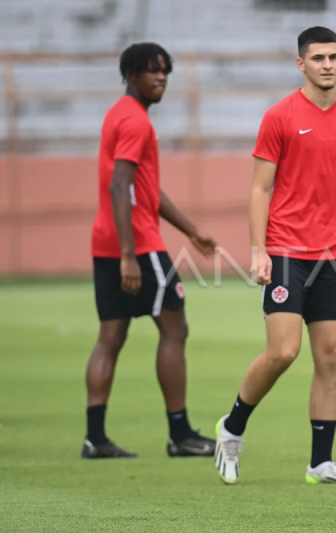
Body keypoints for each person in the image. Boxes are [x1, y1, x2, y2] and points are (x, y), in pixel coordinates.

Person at [213, 27, 336, 486]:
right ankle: (232, 427)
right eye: (318, 58)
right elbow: (259, 188)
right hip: (286, 251)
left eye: (334, 57)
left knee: (331, 357)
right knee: (284, 351)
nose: (328, 64)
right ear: (301, 65)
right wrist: (258, 252)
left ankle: (320, 463)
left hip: (333, 256)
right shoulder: (280, 116)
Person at [85, 42, 218, 459]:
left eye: (166, 71)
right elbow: (120, 185)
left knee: (111, 335)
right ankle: (180, 434)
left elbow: (143, 188)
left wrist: (192, 231)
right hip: (138, 246)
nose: (161, 77)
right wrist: (130, 255)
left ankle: (95, 438)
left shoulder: (119, 115)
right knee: (175, 329)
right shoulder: (137, 122)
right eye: (152, 70)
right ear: (130, 74)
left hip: (106, 241)